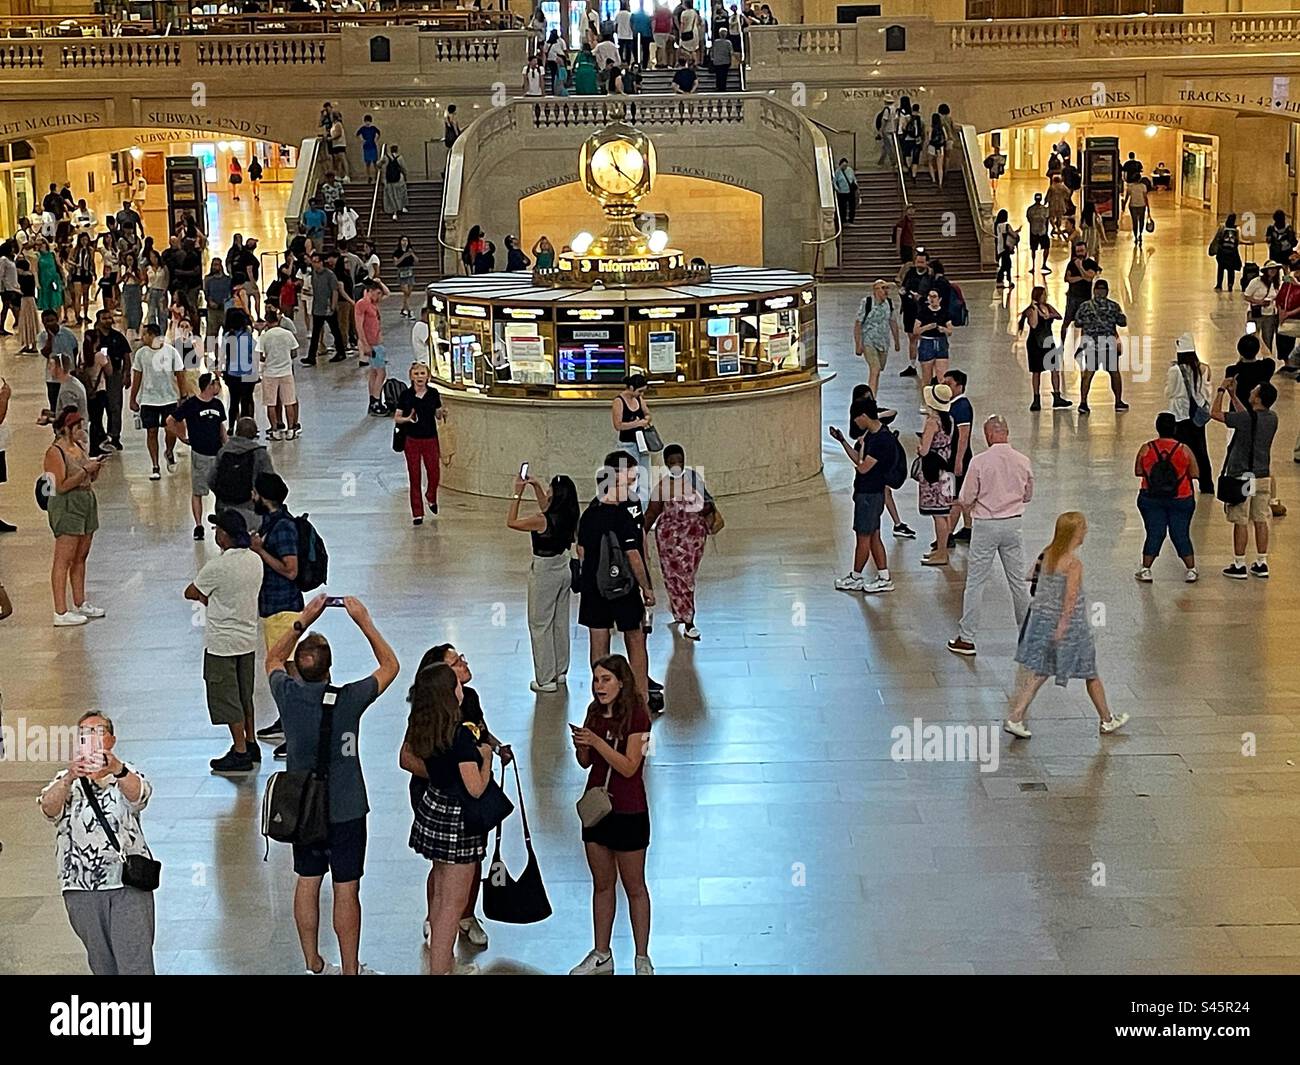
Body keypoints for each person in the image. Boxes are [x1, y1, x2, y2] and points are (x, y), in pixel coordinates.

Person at [267, 594, 399, 975]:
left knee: (307, 881)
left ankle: (312, 960)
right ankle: (351, 969)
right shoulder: (349, 699)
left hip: (302, 809)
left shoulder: (287, 695)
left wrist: (303, 620)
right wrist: (364, 620)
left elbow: (273, 659)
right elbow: (390, 665)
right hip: (347, 807)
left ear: (298, 670)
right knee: (346, 888)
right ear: (330, 669)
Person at [38, 711, 155, 974]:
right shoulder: (65, 781)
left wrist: (117, 769)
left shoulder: (126, 774)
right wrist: (69, 777)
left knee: (135, 965)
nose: (90, 738)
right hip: (81, 888)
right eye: (84, 734)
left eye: (98, 731)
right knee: (102, 965)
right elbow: (48, 809)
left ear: (111, 740)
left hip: (127, 884)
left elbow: (140, 796)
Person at [402, 662, 495, 975]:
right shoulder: (460, 738)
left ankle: (444, 966)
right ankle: (442, 970)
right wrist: (487, 760)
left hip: (434, 811)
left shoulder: (425, 726)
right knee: (451, 910)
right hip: (459, 825)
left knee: (440, 899)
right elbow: (476, 788)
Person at [1005, 511, 1130, 739]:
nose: (1086, 532)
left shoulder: (1048, 553)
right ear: (1075, 533)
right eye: (1083, 529)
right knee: (1090, 672)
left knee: (1040, 671)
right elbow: (1071, 598)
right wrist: (1063, 626)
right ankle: (1107, 719)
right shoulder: (1073, 563)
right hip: (1071, 628)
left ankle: (1015, 716)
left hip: (1041, 621)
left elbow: (1028, 576)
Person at [570, 653, 654, 976]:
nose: (599, 686)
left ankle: (642, 956)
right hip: (598, 811)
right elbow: (587, 763)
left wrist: (597, 742)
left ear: (622, 682)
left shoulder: (638, 717)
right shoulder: (594, 712)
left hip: (629, 810)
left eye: (606, 679)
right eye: (595, 680)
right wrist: (582, 745)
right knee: (602, 884)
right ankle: (601, 952)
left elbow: (630, 767)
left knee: (634, 886)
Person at [945, 416, 1033, 656]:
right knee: (1017, 583)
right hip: (1013, 525)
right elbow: (1027, 495)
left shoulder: (980, 461)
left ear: (990, 434)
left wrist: (968, 505)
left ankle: (967, 638)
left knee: (975, 583)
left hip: (985, 525)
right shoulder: (1023, 461)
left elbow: (966, 497)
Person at [184, 509, 263, 772]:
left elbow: (191, 591)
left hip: (222, 644)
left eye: (218, 530)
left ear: (226, 537)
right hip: (248, 640)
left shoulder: (217, 567)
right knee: (245, 695)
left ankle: (239, 751)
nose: (215, 533)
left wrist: (208, 599)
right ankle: (251, 744)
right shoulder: (254, 560)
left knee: (227, 698)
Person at [576, 452, 656, 702]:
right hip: (625, 586)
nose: (632, 486)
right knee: (635, 637)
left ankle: (601, 698)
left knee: (598, 641)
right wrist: (647, 586)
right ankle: (640, 697)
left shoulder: (590, 512)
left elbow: (581, 550)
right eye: (627, 481)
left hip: (593, 587)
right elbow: (634, 553)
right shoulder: (621, 514)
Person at [508, 472, 579, 692]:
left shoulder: (541, 520)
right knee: (559, 622)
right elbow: (547, 506)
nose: (546, 494)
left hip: (544, 572)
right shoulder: (570, 514)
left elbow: (511, 522)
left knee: (540, 624)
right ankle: (559, 671)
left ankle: (545, 678)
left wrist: (516, 494)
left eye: (549, 490)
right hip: (563, 567)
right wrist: (536, 486)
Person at [42, 409, 106, 627]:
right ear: (67, 429)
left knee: (81, 555)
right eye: (78, 427)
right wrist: (85, 470)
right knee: (64, 558)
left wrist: (94, 469)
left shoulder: (79, 448)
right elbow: (60, 486)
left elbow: (88, 476)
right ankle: (60, 610)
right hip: (67, 505)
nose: (82, 430)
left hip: (86, 501)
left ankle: (80, 601)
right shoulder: (55, 452)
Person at [645, 444, 714, 641]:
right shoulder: (662, 486)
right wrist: (638, 531)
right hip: (669, 542)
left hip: (693, 539)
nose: (676, 465)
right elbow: (652, 512)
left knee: (687, 579)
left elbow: (707, 504)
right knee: (677, 579)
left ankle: (680, 609)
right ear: (666, 463)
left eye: (679, 461)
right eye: (672, 462)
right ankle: (688, 620)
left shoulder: (694, 479)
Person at [1212, 377, 1278, 580]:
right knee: (1261, 519)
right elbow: (1247, 418)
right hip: (1263, 475)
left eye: (1254, 391)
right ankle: (1261, 561)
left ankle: (1239, 564)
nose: (1251, 392)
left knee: (1240, 519)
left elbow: (1214, 414)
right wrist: (1234, 396)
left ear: (1257, 399)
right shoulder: (1272, 418)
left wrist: (1222, 391)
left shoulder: (1245, 420)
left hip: (1243, 477)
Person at [830, 396, 895, 594]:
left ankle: (856, 576)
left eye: (856, 418)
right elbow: (859, 460)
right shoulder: (872, 435)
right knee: (874, 536)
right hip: (869, 493)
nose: (855, 422)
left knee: (863, 537)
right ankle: (883, 576)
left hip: (870, 494)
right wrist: (842, 441)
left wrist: (862, 452)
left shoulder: (880, 440)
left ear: (864, 416)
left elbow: (863, 467)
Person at [1133, 412, 1200, 584]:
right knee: (1181, 533)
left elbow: (1138, 471)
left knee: (1155, 532)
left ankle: (1146, 569)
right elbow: (1195, 473)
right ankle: (1191, 569)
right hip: (1181, 497)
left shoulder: (1146, 448)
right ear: (1175, 428)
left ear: (1157, 428)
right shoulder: (1183, 449)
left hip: (1150, 497)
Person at [168, 373, 228, 539]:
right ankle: (198, 525)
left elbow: (221, 427)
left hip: (216, 453)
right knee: (198, 491)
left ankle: (219, 522)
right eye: (215, 383)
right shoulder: (192, 404)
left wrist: (227, 446)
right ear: (209, 386)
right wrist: (181, 437)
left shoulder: (217, 404)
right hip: (199, 454)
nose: (218, 387)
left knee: (220, 492)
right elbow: (170, 420)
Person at [129, 323, 187, 480]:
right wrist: (133, 398)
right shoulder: (141, 354)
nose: (142, 337)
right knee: (151, 431)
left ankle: (169, 450)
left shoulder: (171, 352)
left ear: (152, 335)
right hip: (149, 399)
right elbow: (137, 377)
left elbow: (180, 374)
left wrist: (183, 395)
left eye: (145, 334)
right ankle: (155, 465)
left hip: (169, 398)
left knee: (170, 430)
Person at [394, 361, 446, 524]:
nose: (419, 377)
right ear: (411, 376)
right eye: (416, 374)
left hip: (430, 437)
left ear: (428, 376)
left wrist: (442, 412)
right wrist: (407, 419)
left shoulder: (433, 394)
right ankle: (417, 512)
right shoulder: (406, 396)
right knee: (414, 475)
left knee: (434, 472)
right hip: (412, 439)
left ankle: (431, 495)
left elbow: (437, 414)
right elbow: (397, 417)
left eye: (422, 374)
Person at [1165, 334, 1214, 495]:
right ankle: (1206, 484)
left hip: (1179, 416)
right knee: (1201, 450)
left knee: (1180, 451)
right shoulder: (1204, 368)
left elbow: (1170, 392)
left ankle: (1183, 484)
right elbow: (1207, 391)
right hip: (1197, 416)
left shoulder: (1175, 370)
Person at [915, 383, 957, 567]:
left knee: (938, 515)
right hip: (947, 471)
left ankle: (941, 553)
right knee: (945, 513)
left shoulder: (933, 422)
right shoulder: (950, 420)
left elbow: (924, 451)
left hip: (934, 473)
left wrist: (919, 446)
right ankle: (942, 550)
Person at [1073, 278, 1128, 414]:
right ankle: (1118, 402)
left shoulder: (1085, 306)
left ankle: (1083, 403)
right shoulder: (1113, 306)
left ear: (1094, 291)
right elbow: (1122, 322)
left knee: (1088, 374)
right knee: (1114, 373)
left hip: (1091, 345)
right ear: (1107, 291)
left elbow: (1077, 323)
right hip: (1109, 345)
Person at [209, 416, 274, 531]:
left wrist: (221, 493)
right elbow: (269, 482)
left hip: (224, 506)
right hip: (250, 507)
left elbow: (211, 479)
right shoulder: (260, 453)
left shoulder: (224, 451)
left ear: (237, 432)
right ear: (254, 433)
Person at [1017, 286, 1068, 411]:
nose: (1046, 297)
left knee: (1055, 369)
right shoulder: (1031, 310)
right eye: (1044, 294)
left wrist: (1048, 315)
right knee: (1037, 371)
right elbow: (1033, 324)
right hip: (1036, 343)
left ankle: (1057, 395)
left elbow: (1058, 316)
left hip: (1048, 341)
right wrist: (1035, 310)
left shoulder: (1048, 307)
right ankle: (1036, 398)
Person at [257, 307, 301, 440]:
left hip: (270, 373)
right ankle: (291, 429)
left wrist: (270, 358)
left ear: (267, 322)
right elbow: (294, 352)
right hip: (286, 372)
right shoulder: (287, 334)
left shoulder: (264, 336)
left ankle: (275, 431)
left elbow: (261, 357)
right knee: (289, 401)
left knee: (271, 403)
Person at [612, 373, 653, 504]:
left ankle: (644, 508)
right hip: (628, 444)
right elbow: (618, 425)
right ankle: (630, 506)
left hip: (642, 444)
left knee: (644, 479)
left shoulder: (639, 400)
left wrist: (646, 420)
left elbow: (647, 413)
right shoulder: (619, 402)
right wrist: (636, 423)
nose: (641, 394)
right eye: (639, 391)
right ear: (631, 387)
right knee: (630, 480)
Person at [854, 279, 899, 396]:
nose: (886, 291)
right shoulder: (867, 302)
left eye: (887, 288)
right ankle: (872, 398)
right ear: (875, 290)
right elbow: (858, 323)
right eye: (882, 288)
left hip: (883, 341)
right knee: (875, 369)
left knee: (879, 369)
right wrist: (858, 344)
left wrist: (897, 341)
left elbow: (893, 322)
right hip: (869, 340)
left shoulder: (889, 303)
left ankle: (873, 393)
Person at [354, 280, 392, 417]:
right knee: (381, 372)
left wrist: (379, 282)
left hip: (376, 341)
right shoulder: (362, 304)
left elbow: (388, 293)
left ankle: (373, 400)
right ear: (369, 291)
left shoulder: (372, 304)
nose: (379, 296)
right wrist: (365, 344)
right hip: (372, 343)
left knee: (374, 372)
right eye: (376, 293)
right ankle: (376, 400)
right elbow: (359, 325)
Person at [303, 252, 345, 365]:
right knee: (315, 333)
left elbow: (335, 291)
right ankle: (311, 357)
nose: (315, 264)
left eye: (317, 262)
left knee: (335, 330)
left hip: (327, 308)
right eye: (313, 262)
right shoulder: (313, 275)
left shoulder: (330, 275)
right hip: (317, 308)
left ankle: (341, 352)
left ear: (321, 262)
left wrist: (333, 305)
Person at [38, 308, 80, 410]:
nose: (50, 324)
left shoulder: (68, 333)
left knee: (71, 405)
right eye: (46, 321)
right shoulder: (42, 337)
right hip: (52, 378)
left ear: (57, 319)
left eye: (52, 320)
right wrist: (50, 338)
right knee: (55, 406)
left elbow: (75, 349)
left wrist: (74, 368)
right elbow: (45, 353)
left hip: (69, 374)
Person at [912, 286, 952, 387]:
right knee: (927, 378)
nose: (932, 299)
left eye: (934, 296)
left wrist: (943, 329)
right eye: (930, 296)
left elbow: (950, 330)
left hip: (941, 343)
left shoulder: (944, 312)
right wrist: (927, 327)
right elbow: (915, 330)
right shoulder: (923, 312)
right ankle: (926, 400)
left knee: (941, 376)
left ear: (939, 299)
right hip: (927, 343)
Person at [1060, 239, 1099, 339]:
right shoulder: (1071, 263)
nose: (1080, 254)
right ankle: (1062, 344)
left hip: (1085, 298)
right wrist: (1082, 277)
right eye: (1078, 251)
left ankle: (1083, 346)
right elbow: (1067, 278)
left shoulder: (1091, 264)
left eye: (1082, 251)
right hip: (1072, 298)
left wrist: (1080, 267)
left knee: (1086, 324)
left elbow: (1090, 277)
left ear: (1086, 251)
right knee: (1066, 322)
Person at [1244, 260, 1282, 353]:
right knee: (1250, 337)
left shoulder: (1277, 283)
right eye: (1271, 269)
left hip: (1269, 315)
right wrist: (1259, 302)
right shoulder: (1256, 281)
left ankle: (1267, 358)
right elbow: (1246, 296)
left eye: (1275, 269)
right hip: (1253, 313)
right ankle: (1249, 355)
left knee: (1268, 339)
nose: (1273, 271)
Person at [1211, 213, 1243, 292]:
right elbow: (1238, 240)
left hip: (1222, 252)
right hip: (1232, 253)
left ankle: (1219, 284)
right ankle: (1230, 285)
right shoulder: (1237, 229)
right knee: (1231, 270)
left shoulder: (1222, 227)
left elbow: (1218, 238)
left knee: (1220, 269)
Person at [382, 145, 409, 222]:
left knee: (392, 196)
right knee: (400, 195)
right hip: (398, 179)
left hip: (389, 180)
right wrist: (406, 176)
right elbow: (404, 169)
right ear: (397, 150)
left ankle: (394, 213)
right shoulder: (400, 158)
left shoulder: (386, 157)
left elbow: (378, 164)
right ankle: (402, 207)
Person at [1025, 192, 1050, 274]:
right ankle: (1043, 264)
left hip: (1034, 231)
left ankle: (1034, 266)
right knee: (1045, 248)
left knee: (1033, 249)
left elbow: (1029, 219)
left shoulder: (1030, 209)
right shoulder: (1045, 209)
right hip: (1042, 231)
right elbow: (1047, 220)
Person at [993, 208, 1018, 289]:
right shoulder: (1005, 225)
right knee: (1006, 265)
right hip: (1005, 247)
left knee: (1006, 264)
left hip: (1000, 247)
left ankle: (1008, 280)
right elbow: (1012, 234)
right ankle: (1001, 279)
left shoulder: (997, 225)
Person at [357, 114, 382, 181]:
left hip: (372, 145)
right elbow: (357, 134)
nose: (367, 123)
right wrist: (362, 140)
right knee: (367, 163)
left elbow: (379, 133)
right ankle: (368, 176)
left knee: (375, 162)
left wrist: (376, 139)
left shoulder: (373, 128)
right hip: (366, 146)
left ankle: (377, 176)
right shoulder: (363, 128)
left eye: (368, 121)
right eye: (366, 121)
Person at [832, 158, 857, 226]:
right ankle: (843, 220)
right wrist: (837, 189)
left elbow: (853, 178)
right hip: (842, 192)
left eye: (846, 165)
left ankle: (851, 220)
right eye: (843, 165)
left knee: (852, 206)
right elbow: (834, 181)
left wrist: (855, 184)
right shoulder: (838, 172)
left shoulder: (850, 170)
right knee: (843, 207)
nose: (844, 167)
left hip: (850, 191)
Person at [1126, 176, 1150, 246]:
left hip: (1133, 205)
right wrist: (1148, 207)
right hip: (1142, 205)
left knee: (1134, 221)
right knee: (1141, 220)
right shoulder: (1143, 186)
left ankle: (1136, 236)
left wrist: (1124, 204)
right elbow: (1145, 197)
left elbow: (1127, 197)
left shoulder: (1130, 186)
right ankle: (1140, 234)